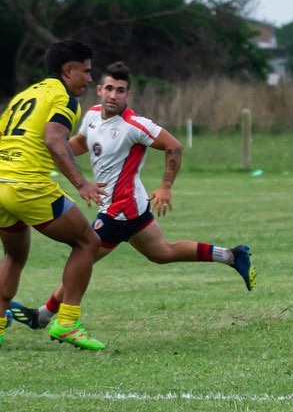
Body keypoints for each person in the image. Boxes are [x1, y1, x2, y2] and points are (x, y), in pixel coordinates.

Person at [9, 62, 255, 332]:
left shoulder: (134, 125)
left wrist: (165, 187)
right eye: (110, 88)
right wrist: (55, 153)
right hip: (131, 207)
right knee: (163, 252)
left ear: (128, 95)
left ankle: (43, 316)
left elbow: (174, 145)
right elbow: (81, 142)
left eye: (121, 90)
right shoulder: (90, 115)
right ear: (100, 90)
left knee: (83, 252)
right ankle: (232, 255)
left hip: (121, 209)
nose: (114, 95)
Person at [0, 39, 107, 350]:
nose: (89, 79)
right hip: (27, 185)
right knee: (88, 242)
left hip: (2, 184)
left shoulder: (26, 95)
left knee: (14, 255)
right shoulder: (63, 99)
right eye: (86, 72)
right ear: (67, 69)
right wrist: (82, 184)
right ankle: (68, 322)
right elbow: (54, 141)